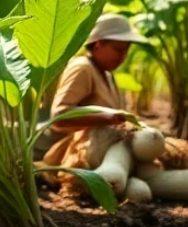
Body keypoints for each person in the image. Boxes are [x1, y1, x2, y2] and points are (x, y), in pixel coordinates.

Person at [41, 14, 148, 168]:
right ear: (98, 44)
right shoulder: (83, 68)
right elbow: (59, 116)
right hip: (74, 155)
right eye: (118, 50)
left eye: (126, 50)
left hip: (102, 152)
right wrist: (106, 118)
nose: (123, 56)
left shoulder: (107, 74)